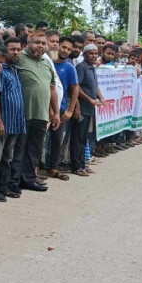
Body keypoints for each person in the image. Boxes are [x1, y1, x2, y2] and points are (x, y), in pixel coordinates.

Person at [10, 32, 59, 193]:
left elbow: (52, 88)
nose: (40, 46)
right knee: (19, 149)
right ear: (28, 44)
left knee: (34, 150)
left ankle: (29, 179)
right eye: (37, 42)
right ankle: (14, 181)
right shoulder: (19, 59)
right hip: (22, 114)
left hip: (41, 114)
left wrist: (56, 112)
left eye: (43, 43)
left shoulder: (46, 62)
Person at [0, 38, 25, 201]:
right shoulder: (0, 69)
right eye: (12, 49)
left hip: (16, 122)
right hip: (4, 122)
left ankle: (4, 186)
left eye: (18, 49)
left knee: (8, 158)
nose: (15, 52)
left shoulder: (15, 69)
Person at [46, 36, 79, 181]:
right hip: (42, 108)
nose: (65, 51)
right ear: (57, 46)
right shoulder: (47, 62)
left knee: (57, 140)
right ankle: (33, 169)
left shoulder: (70, 67)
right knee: (38, 141)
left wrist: (70, 110)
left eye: (69, 49)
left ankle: (54, 168)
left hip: (60, 109)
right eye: (63, 47)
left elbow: (75, 88)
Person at [73, 44, 105, 176]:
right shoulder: (81, 67)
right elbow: (76, 88)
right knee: (77, 138)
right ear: (84, 54)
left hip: (89, 108)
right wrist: (89, 99)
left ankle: (82, 164)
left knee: (83, 137)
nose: (94, 56)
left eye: (96, 53)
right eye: (90, 53)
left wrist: (101, 98)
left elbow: (95, 85)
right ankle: (76, 166)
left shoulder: (92, 68)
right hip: (81, 107)